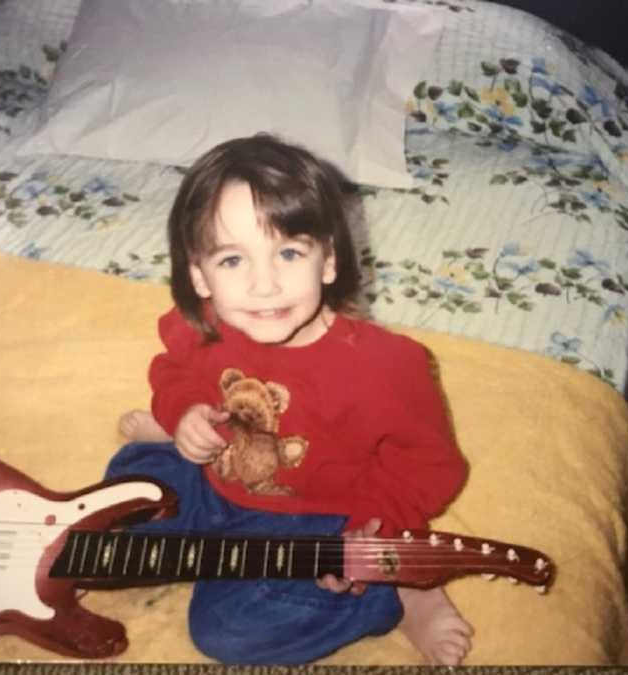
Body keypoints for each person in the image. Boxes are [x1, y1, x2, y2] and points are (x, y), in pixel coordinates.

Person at [114, 133, 472, 665]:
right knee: (124, 493)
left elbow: (429, 468)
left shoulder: (388, 367)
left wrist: (374, 536)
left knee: (225, 630)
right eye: (233, 260)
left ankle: (394, 593)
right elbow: (174, 370)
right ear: (199, 276)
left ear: (327, 261)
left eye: (287, 252)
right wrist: (183, 411)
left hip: (318, 518)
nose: (264, 285)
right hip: (219, 479)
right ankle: (166, 440)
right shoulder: (209, 323)